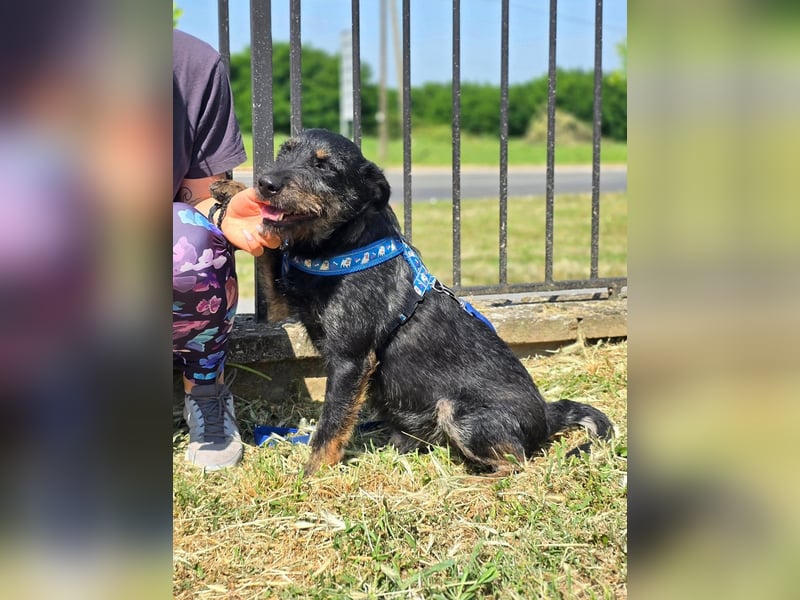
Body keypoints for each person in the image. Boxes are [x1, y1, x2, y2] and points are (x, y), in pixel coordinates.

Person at [173, 30, 279, 470]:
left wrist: (219, 218)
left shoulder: (192, 64)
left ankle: (205, 391)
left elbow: (197, 196)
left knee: (193, 246)